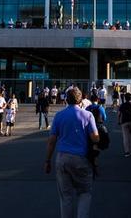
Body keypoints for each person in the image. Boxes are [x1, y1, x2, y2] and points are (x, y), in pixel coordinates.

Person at [44, 87, 100, 218]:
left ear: (66, 100)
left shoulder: (59, 116)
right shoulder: (88, 115)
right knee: (85, 193)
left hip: (62, 158)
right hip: (81, 158)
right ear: (80, 100)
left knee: (66, 197)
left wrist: (47, 160)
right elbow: (95, 138)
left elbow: (51, 141)